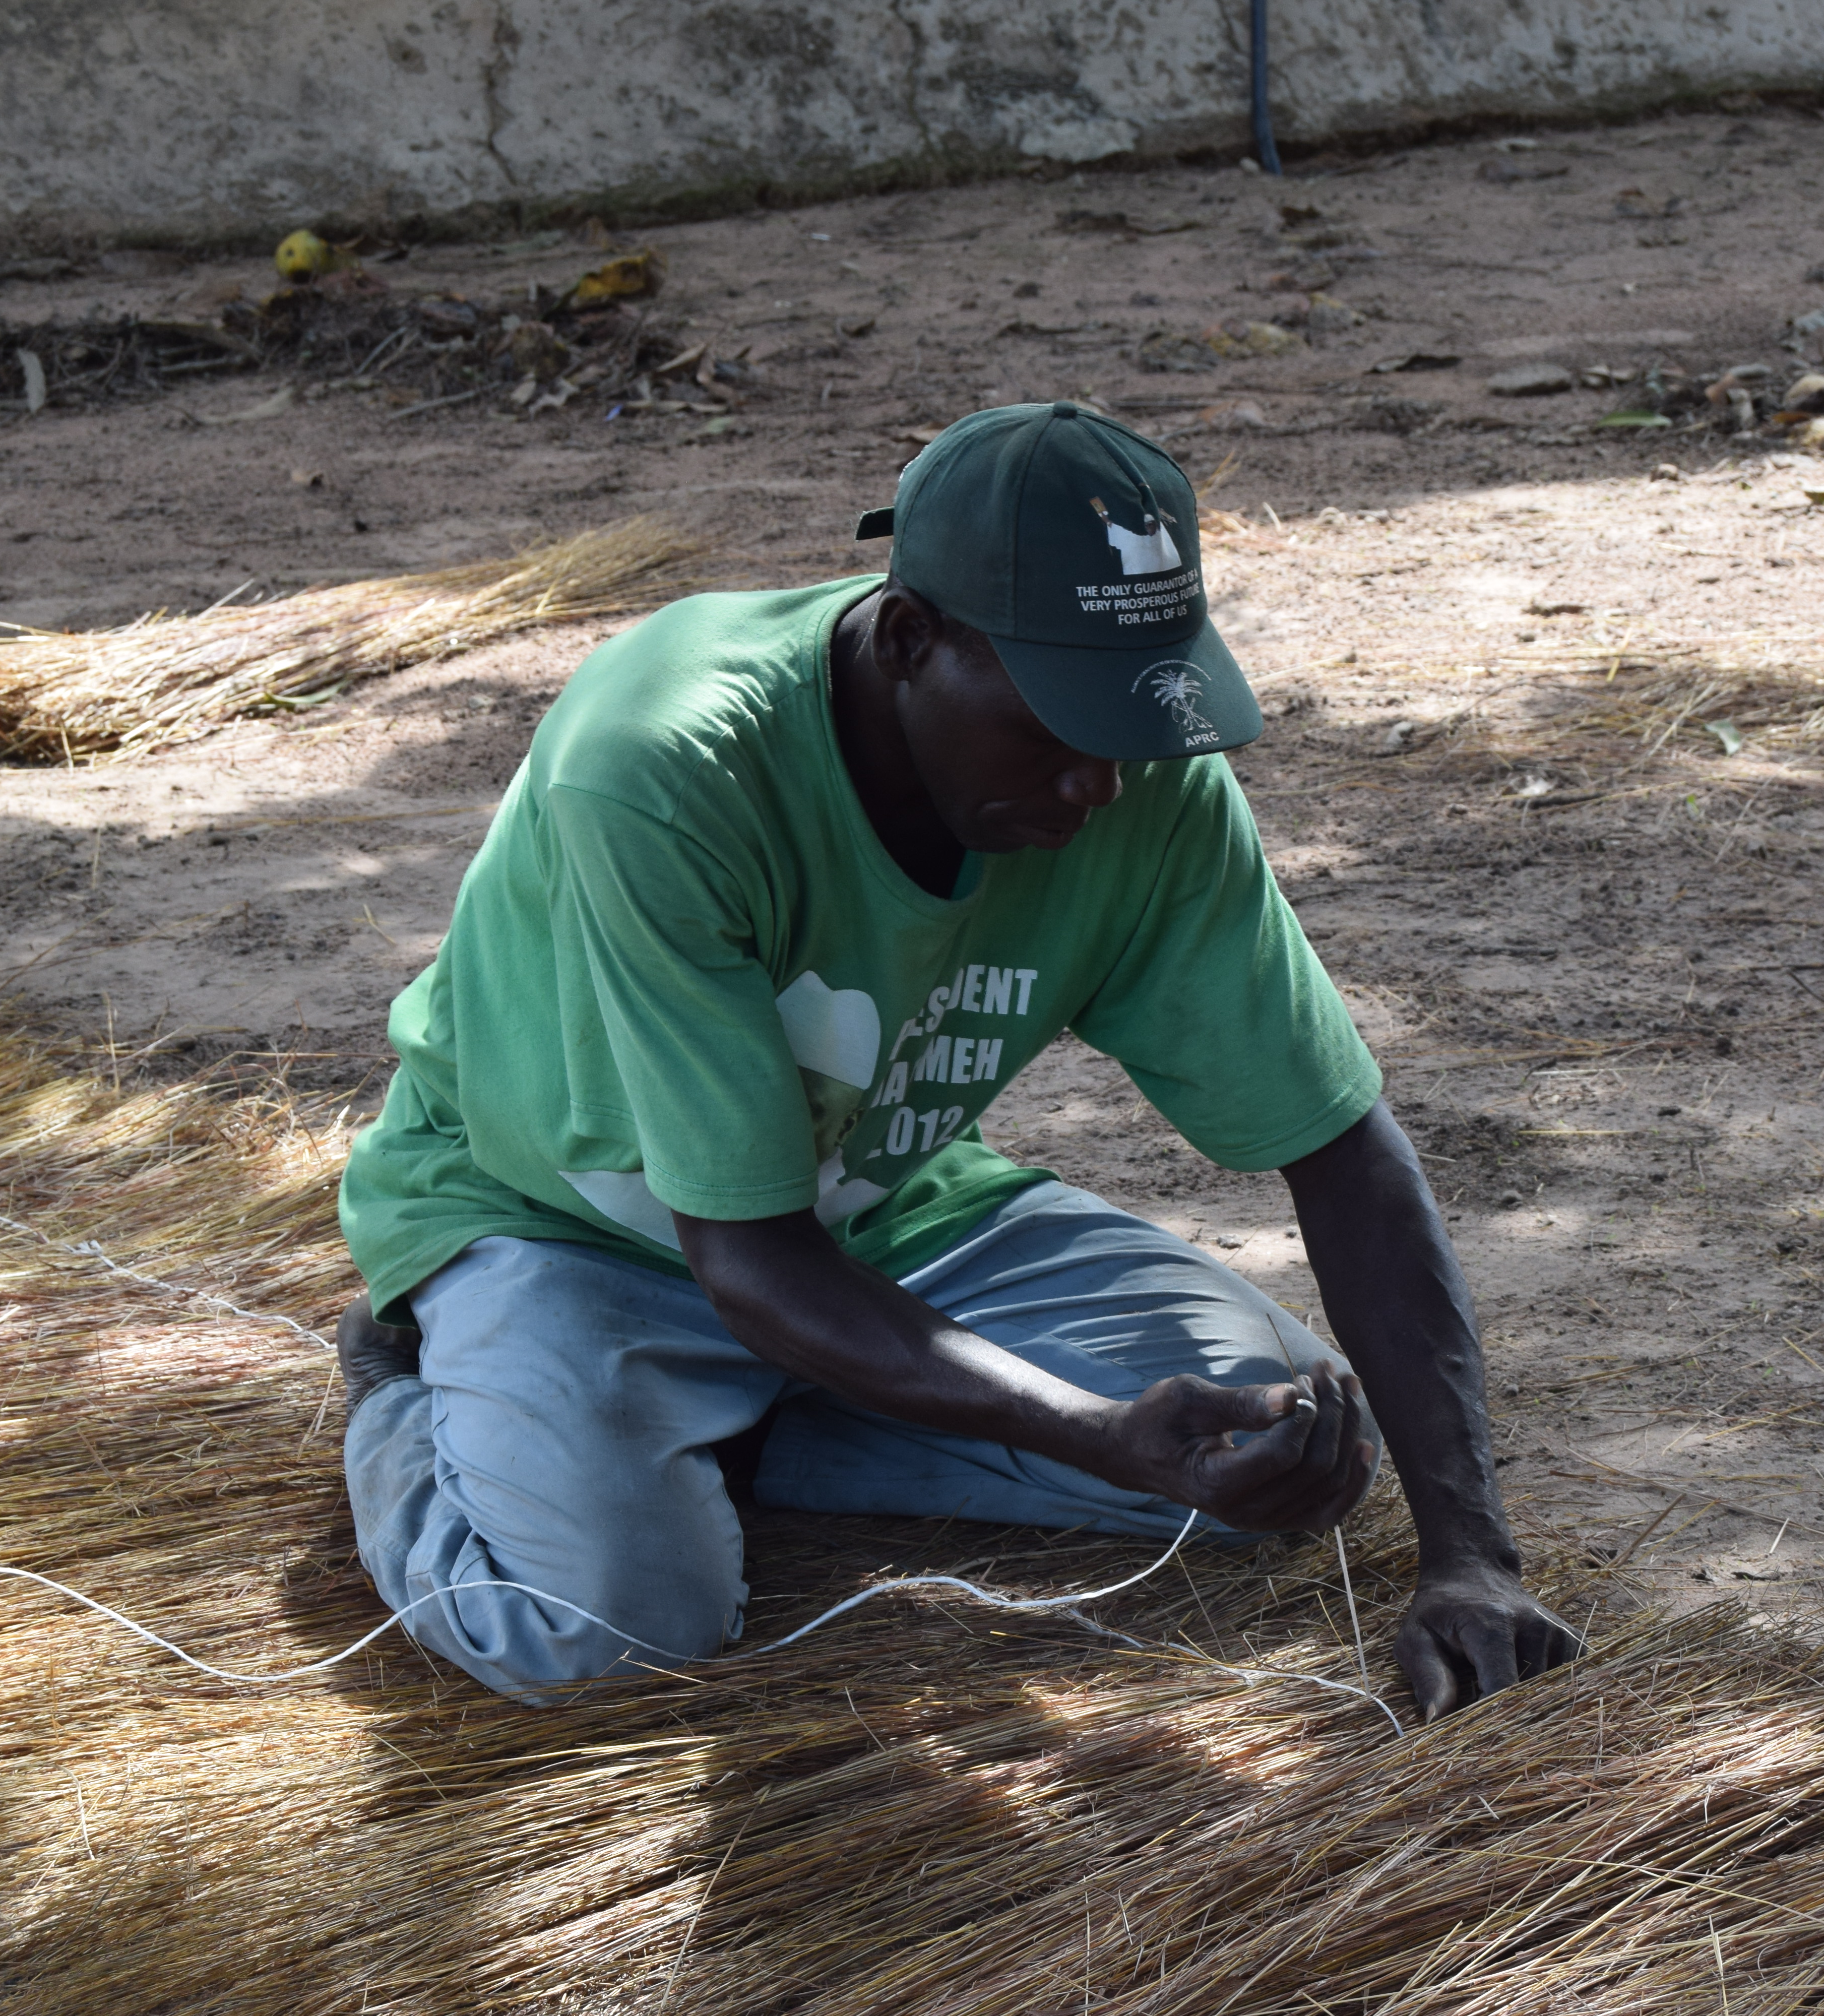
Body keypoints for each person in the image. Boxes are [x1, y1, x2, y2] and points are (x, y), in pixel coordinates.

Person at [332, 401, 1578, 1717]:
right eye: (1056, 721)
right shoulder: (664, 764)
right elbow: (747, 1254)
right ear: (911, 639)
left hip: (876, 1204)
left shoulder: (1139, 785)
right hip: (567, 1225)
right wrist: (1085, 1430)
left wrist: (1472, 1557)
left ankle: (751, 1417)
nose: (1099, 785)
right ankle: (413, 1394)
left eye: (1132, 718)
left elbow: (1341, 1152)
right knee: (609, 1627)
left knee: (1269, 1456)